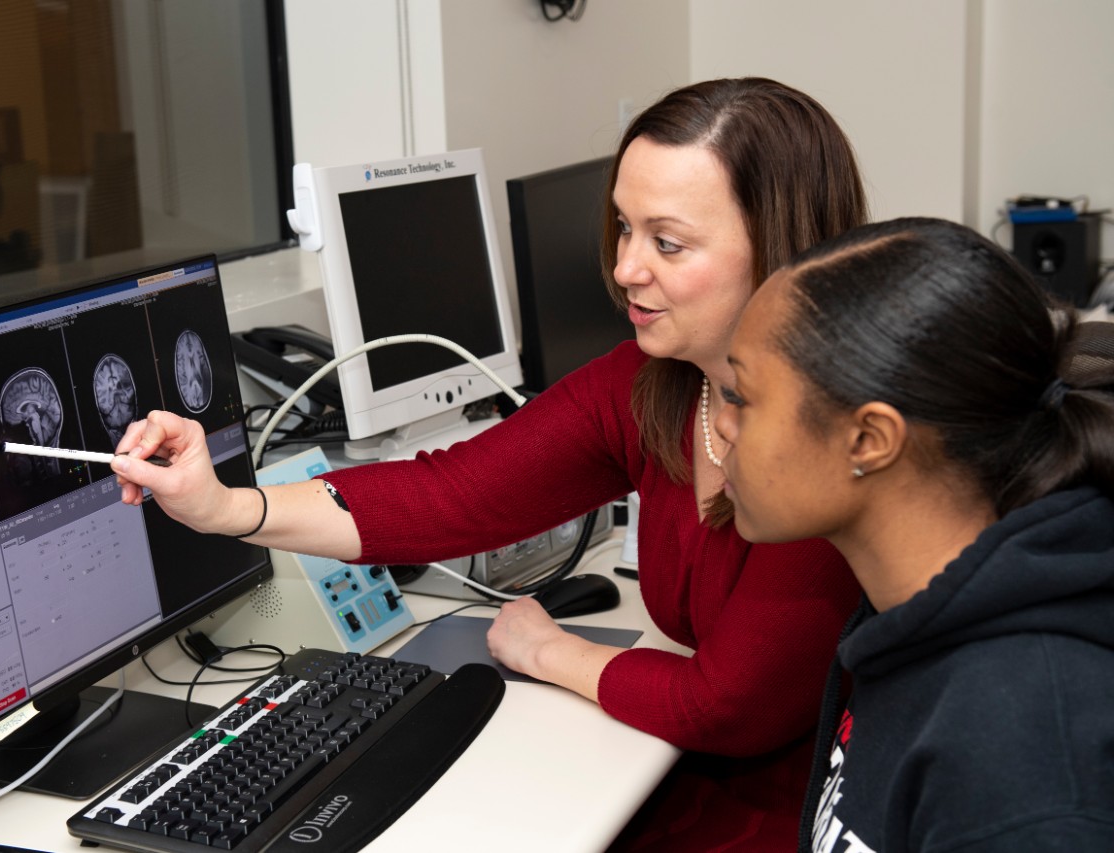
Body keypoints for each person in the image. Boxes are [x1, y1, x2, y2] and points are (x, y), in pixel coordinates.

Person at [111, 77, 867, 849]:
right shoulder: (656, 388)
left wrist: (549, 650)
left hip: (805, 811)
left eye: (667, 243)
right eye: (623, 228)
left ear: (779, 252)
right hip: (698, 775)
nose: (627, 268)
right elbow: (452, 493)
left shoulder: (831, 442)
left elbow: (723, 708)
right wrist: (226, 506)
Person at [714, 216, 1114, 851]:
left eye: (743, 396)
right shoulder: (914, 609)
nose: (723, 425)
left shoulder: (1028, 770)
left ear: (869, 441)